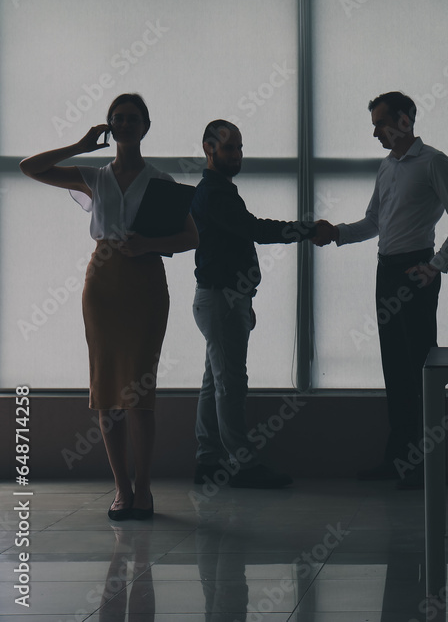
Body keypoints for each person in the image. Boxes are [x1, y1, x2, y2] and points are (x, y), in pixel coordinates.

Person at [20, 93, 199, 520]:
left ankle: (144, 489)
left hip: (145, 282)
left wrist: (148, 245)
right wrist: (81, 145)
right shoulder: (93, 176)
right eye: (117, 118)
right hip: (102, 282)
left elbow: (191, 237)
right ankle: (121, 489)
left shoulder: (160, 181)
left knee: (139, 390)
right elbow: (30, 168)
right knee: (106, 390)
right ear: (109, 126)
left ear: (145, 125)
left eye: (132, 118)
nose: (124, 124)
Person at [332, 91, 448, 489]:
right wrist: (337, 234)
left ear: (406, 119)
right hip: (387, 271)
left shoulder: (434, 163)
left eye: (381, 122)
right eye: (375, 124)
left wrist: (435, 265)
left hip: (416, 271)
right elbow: (373, 222)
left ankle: (424, 465)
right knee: (395, 369)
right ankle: (398, 462)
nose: (375, 131)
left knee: (417, 372)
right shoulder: (386, 167)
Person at [191, 120, 335, 489]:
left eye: (240, 147)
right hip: (221, 300)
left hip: (224, 298)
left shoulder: (218, 190)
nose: (237, 155)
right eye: (229, 149)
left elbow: (241, 239)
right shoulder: (215, 194)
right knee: (230, 383)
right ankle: (241, 464)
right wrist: (307, 229)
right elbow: (256, 230)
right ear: (209, 148)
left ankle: (208, 460)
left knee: (216, 382)